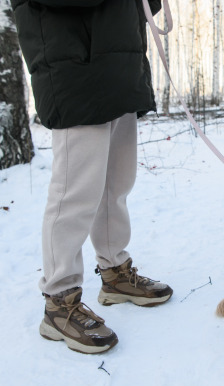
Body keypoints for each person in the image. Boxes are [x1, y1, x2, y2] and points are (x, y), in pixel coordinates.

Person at [10, 0, 173, 354]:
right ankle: (59, 300)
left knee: (116, 185)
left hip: (119, 65)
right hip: (74, 68)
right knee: (75, 194)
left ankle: (115, 273)